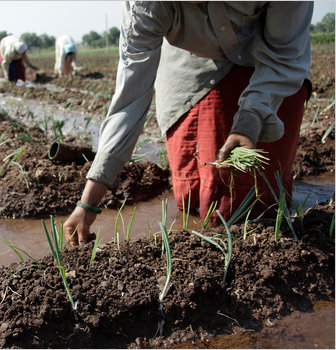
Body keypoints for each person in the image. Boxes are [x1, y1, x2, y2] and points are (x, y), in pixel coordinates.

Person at [63, 2, 313, 246]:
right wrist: (88, 202)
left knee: (255, 201)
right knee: (201, 192)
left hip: (271, 60)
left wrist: (249, 123)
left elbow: (283, 56)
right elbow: (130, 96)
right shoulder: (146, 5)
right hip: (194, 62)